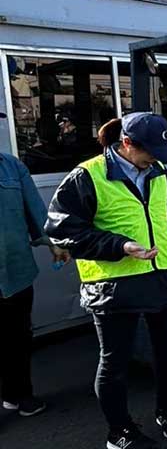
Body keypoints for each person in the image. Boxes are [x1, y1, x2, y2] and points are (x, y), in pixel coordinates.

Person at [45, 113, 167, 449]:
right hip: (114, 288)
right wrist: (121, 246)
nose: (156, 160)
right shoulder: (87, 176)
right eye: (149, 151)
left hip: (162, 278)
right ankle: (119, 432)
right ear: (127, 143)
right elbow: (62, 231)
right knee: (114, 363)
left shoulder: (158, 170)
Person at [0, 110, 69, 420]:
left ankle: (19, 395)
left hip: (15, 272)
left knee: (17, 337)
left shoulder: (12, 167)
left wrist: (53, 243)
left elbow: (37, 214)